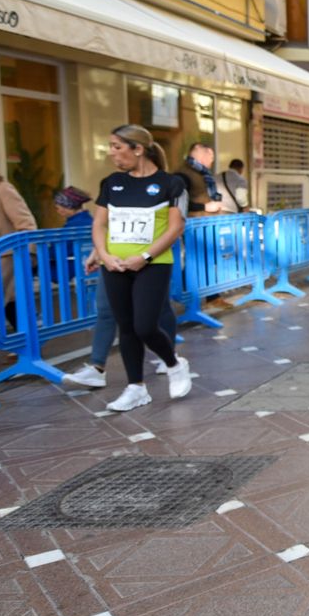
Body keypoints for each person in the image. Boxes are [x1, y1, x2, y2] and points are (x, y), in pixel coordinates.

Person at [91, 125, 192, 411]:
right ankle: (135, 387)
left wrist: (145, 256)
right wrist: (103, 255)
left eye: (117, 147)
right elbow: (99, 223)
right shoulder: (111, 183)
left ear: (138, 149)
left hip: (153, 264)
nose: (112, 153)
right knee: (126, 328)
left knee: (145, 325)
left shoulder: (172, 184)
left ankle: (174, 364)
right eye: (110, 146)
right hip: (115, 265)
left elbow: (176, 227)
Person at [178, 142, 234, 215]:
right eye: (211, 157)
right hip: (194, 224)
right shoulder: (183, 175)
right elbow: (177, 203)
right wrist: (204, 207)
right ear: (203, 156)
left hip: (205, 221)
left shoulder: (202, 174)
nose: (212, 161)